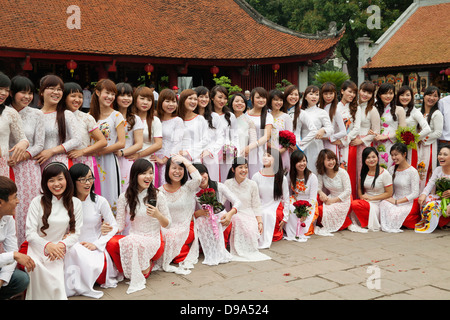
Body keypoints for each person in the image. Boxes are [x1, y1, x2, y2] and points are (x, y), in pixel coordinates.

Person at [108, 159, 170, 294]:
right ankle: (135, 267)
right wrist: (109, 229)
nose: (148, 177)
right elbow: (120, 225)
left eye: (151, 173)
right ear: (135, 175)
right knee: (114, 242)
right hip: (134, 237)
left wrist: (158, 215)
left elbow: (167, 224)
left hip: (152, 239)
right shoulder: (124, 197)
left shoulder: (158, 195)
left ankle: (146, 264)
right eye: (144, 173)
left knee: (140, 269)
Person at [24, 162, 83, 300]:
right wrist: (47, 245)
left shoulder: (75, 203)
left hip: (59, 250)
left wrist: (61, 245)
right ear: (45, 183)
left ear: (67, 180)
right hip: (37, 248)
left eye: (60, 179)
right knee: (36, 268)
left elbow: (76, 233)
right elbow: (30, 233)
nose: (56, 184)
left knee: (56, 282)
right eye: (51, 180)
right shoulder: (37, 202)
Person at [64, 163, 120, 298]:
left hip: (94, 247)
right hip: (72, 246)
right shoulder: (66, 203)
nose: (87, 183)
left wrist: (97, 244)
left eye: (90, 178)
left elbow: (115, 226)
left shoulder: (99, 201)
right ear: (73, 181)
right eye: (82, 179)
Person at [7, 75, 43, 246]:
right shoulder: (4, 113)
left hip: (29, 169)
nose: (27, 97)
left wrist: (22, 156)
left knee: (29, 208)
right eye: (23, 92)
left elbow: (39, 145)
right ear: (12, 93)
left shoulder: (37, 114)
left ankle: (30, 248)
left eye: (30, 93)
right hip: (6, 167)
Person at [156, 155, 201, 275]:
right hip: (167, 226)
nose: (177, 172)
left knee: (171, 237)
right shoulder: (160, 191)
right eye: (174, 168)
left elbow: (198, 179)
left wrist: (185, 161)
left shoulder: (188, 187)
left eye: (180, 169)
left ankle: (178, 254)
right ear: (167, 170)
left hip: (185, 226)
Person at [63, 82, 107, 197]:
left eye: (80, 97)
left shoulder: (86, 118)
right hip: (63, 162)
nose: (77, 100)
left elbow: (103, 141)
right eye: (73, 96)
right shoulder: (58, 116)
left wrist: (81, 152)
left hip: (83, 162)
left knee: (84, 196)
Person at [192, 163, 240, 266]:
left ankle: (218, 250)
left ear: (207, 173)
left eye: (203, 173)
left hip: (221, 216)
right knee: (199, 222)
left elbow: (237, 201)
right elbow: (189, 212)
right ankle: (208, 250)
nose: (201, 177)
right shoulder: (193, 191)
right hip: (206, 217)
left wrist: (230, 214)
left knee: (217, 223)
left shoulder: (219, 186)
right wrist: (197, 213)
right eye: (197, 175)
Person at [224, 157, 271, 262]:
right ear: (233, 169)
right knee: (236, 218)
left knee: (250, 232)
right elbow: (221, 202)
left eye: (246, 167)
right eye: (240, 167)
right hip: (235, 214)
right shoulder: (228, 183)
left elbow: (256, 205)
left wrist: (260, 222)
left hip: (249, 214)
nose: (244, 170)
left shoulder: (252, 184)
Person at [89, 79, 125, 214]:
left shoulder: (116, 115)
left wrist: (100, 152)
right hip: (92, 161)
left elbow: (121, 143)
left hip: (109, 160)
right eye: (107, 93)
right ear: (97, 92)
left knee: (111, 194)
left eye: (113, 94)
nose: (110, 97)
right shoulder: (89, 117)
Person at [34, 75, 81, 170]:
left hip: (60, 164)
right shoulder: (34, 115)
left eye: (59, 89)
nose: (56, 92)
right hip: (37, 164)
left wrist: (51, 151)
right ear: (42, 92)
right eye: (51, 88)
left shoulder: (66, 114)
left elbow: (77, 140)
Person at [0, 176, 34, 300]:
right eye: (14, 197)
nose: (18, 201)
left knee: (21, 279)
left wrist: (1, 280)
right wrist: (14, 255)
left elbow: (11, 252)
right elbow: (12, 255)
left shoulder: (8, 218)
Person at [251, 149, 289, 249]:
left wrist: (285, 218)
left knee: (268, 214)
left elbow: (286, 198)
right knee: (261, 214)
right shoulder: (256, 176)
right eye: (264, 155)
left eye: (269, 155)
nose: (265, 158)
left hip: (275, 205)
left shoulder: (281, 178)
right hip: (260, 205)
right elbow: (254, 198)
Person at [379, 143, 420, 233]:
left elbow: (415, 193)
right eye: (392, 155)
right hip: (395, 198)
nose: (394, 157)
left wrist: (398, 202)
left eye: (396, 154)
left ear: (404, 154)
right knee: (383, 204)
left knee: (394, 212)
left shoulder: (413, 172)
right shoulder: (392, 169)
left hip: (407, 202)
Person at [351, 147, 393, 232]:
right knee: (353, 204)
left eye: (373, 157)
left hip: (379, 202)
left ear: (377, 158)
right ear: (364, 160)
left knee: (355, 204)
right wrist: (361, 197)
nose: (371, 160)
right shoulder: (364, 172)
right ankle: (366, 222)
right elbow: (359, 188)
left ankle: (368, 223)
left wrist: (371, 198)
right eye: (368, 158)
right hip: (366, 201)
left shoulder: (385, 174)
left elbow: (389, 193)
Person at [113, 83, 144, 193]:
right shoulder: (108, 117)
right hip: (109, 158)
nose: (126, 98)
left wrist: (122, 152)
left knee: (127, 191)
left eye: (129, 95)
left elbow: (139, 144)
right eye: (122, 95)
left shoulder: (135, 119)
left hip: (127, 159)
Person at [314, 149, 353, 236]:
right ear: (322, 161)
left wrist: (333, 200)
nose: (331, 162)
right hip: (331, 197)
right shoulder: (321, 174)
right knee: (318, 208)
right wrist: (321, 192)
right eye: (328, 160)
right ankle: (342, 223)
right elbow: (318, 187)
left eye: (333, 159)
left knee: (321, 210)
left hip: (344, 199)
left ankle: (346, 223)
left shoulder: (342, 172)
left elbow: (348, 191)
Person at [130, 86, 162, 187]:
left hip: (148, 160)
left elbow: (158, 144)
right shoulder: (129, 118)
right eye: (142, 98)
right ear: (135, 100)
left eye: (149, 100)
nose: (145, 102)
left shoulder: (155, 120)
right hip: (129, 159)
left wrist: (139, 155)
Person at [283, 150, 318, 242]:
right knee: (289, 207)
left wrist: (305, 213)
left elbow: (313, 199)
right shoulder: (290, 176)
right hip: (296, 200)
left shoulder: (312, 177)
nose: (302, 164)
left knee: (302, 221)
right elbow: (287, 193)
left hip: (309, 204)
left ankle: (299, 231)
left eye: (304, 161)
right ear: (293, 163)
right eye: (299, 161)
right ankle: (291, 231)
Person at [415, 144, 450, 233]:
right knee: (427, 200)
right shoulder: (438, 170)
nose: (441, 157)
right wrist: (423, 194)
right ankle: (431, 223)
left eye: (445, 154)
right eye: (440, 154)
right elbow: (430, 184)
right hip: (442, 197)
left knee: (446, 209)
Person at [372, 83, 406, 169]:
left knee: (390, 168)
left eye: (391, 93)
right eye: (385, 93)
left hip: (392, 144)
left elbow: (402, 131)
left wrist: (385, 137)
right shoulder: (374, 108)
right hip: (376, 143)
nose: (388, 96)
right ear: (379, 95)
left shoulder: (399, 109)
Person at [154, 88, 184, 186]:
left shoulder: (177, 120)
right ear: (161, 102)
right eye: (167, 101)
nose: (171, 104)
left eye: (174, 101)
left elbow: (177, 143)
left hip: (169, 160)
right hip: (154, 158)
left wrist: (164, 160)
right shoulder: (155, 119)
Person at [301, 85, 334, 173]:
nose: (314, 97)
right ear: (305, 96)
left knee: (315, 170)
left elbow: (330, 129)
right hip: (302, 145)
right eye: (311, 94)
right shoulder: (300, 112)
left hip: (316, 145)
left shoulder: (321, 112)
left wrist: (323, 130)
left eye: (316, 94)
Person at [193, 86, 223, 182]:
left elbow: (220, 137)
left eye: (206, 97)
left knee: (211, 183)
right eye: (201, 96)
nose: (204, 99)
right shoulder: (190, 117)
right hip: (194, 155)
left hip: (210, 155)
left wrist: (210, 150)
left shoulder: (215, 117)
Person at [396, 85, 431, 168]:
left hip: (410, 149)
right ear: (398, 97)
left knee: (410, 170)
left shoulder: (415, 112)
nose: (405, 97)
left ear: (412, 97)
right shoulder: (394, 110)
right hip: (396, 146)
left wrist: (413, 139)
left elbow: (427, 129)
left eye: (407, 95)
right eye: (402, 95)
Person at [417, 86, 444, 192]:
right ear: (424, 96)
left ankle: (427, 196)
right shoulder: (418, 111)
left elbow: (438, 133)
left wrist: (421, 138)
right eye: (429, 94)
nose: (431, 98)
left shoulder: (437, 114)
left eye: (435, 96)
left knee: (426, 169)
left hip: (429, 146)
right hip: (417, 146)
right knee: (417, 168)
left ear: (438, 99)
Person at [355, 81, 380, 191]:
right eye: (364, 91)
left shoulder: (372, 110)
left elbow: (376, 131)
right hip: (350, 142)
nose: (365, 95)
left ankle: (361, 195)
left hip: (364, 144)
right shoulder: (353, 105)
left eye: (369, 93)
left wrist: (361, 141)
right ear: (359, 91)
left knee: (361, 169)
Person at [211, 85, 239, 182]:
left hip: (227, 154)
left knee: (226, 180)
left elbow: (235, 136)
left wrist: (233, 150)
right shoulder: (207, 116)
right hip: (211, 153)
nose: (222, 100)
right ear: (212, 97)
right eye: (219, 97)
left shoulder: (230, 116)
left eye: (225, 98)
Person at [245, 87, 273, 177]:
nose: (261, 100)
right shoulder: (246, 114)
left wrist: (251, 147)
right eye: (258, 97)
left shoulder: (268, 116)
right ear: (252, 98)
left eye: (263, 97)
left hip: (259, 152)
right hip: (245, 152)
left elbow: (266, 137)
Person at [179, 89, 210, 164]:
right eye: (190, 98)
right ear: (182, 100)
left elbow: (206, 140)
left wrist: (188, 152)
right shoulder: (176, 118)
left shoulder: (200, 119)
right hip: (176, 157)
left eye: (195, 99)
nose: (193, 101)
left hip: (194, 158)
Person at [268, 89, 293, 173]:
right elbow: (263, 136)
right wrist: (272, 149)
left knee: (283, 175)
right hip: (268, 151)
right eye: (275, 100)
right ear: (270, 101)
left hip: (283, 152)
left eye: (280, 100)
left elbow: (290, 137)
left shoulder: (286, 117)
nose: (278, 102)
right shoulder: (266, 116)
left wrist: (281, 150)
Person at [319, 82, 346, 160]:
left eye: (331, 93)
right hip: (318, 143)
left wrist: (329, 138)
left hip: (330, 145)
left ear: (335, 94)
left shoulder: (335, 111)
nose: (328, 96)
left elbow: (343, 131)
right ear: (321, 94)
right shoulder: (318, 108)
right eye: (325, 93)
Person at [229, 93, 257, 162]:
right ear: (231, 103)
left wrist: (248, 148)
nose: (240, 103)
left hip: (242, 157)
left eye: (242, 102)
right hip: (226, 156)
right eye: (237, 101)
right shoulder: (226, 119)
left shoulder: (249, 121)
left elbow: (253, 141)